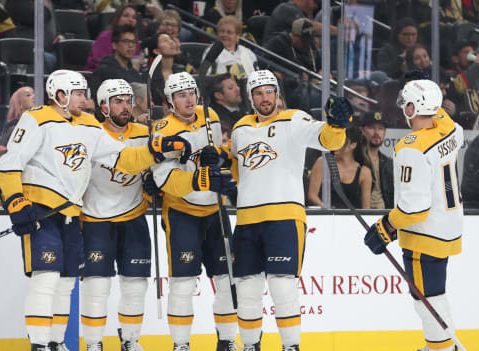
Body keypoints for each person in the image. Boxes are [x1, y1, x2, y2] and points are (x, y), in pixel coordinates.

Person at [0, 69, 191, 351]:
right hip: (42, 208)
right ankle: (39, 344)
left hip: (72, 212)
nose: (84, 100)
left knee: (66, 281)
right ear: (60, 96)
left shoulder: (88, 124)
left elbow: (121, 157)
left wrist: (158, 149)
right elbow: (9, 164)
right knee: (46, 277)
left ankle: (57, 342)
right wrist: (16, 200)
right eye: (78, 94)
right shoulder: (36, 118)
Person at [229, 70, 350, 351]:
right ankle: (249, 346)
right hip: (247, 220)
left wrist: (337, 125)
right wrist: (219, 163)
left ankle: (291, 347)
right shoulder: (239, 129)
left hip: (284, 218)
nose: (265, 98)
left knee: (283, 287)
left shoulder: (294, 120)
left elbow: (327, 140)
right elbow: (236, 170)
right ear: (251, 98)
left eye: (270, 91)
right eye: (259, 93)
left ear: (278, 94)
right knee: (247, 289)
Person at [363, 79, 464, 351]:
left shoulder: (411, 147)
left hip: (424, 233)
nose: (403, 109)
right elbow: (440, 114)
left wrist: (385, 228)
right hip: (448, 226)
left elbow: (414, 208)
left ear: (411, 107)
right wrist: (429, 93)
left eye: (406, 104)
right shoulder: (451, 129)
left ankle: (441, 348)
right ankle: (442, 347)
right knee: (435, 292)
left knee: (426, 298)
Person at [149, 72, 237, 351]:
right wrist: (199, 178)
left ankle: (226, 341)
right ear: (170, 101)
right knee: (183, 282)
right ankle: (181, 345)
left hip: (216, 211)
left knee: (226, 280)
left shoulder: (209, 115)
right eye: (181, 95)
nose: (188, 99)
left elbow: (221, 154)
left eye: (191, 93)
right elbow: (164, 179)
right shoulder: (162, 129)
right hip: (181, 212)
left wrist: (219, 156)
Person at [80, 79, 155, 351]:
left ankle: (130, 340)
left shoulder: (145, 133)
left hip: (133, 218)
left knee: (135, 284)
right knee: (96, 286)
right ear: (103, 106)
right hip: (94, 221)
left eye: (128, 100)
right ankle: (94, 343)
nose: (125, 106)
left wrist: (153, 183)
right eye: (117, 101)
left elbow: (156, 168)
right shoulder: (91, 134)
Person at [307, 126, 371, 209]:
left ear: (353, 145)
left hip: (352, 219)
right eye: (336, 140)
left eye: (341, 141)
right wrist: (330, 211)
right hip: (326, 217)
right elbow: (312, 195)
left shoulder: (364, 172)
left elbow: (366, 208)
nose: (336, 145)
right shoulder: (323, 162)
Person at [89, 25, 144, 99]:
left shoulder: (135, 74)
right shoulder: (103, 71)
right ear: (114, 45)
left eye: (133, 42)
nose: (131, 45)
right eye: (126, 41)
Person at [202, 15, 258, 80]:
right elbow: (206, 78)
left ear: (238, 35)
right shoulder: (211, 51)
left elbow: (255, 78)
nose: (225, 35)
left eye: (229, 32)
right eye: (222, 31)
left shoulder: (248, 53)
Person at [85, 5, 139, 71]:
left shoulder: (135, 39)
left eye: (134, 17)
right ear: (117, 18)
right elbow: (101, 65)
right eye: (126, 16)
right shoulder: (105, 36)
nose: (131, 20)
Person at [360, 111, 394, 209]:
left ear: (385, 132)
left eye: (380, 128)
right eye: (371, 128)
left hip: (384, 215)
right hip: (359, 214)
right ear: (362, 130)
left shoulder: (389, 163)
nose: (376, 132)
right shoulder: (355, 159)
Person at [447, 40, 479, 116]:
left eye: (472, 52)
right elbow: (459, 86)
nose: (470, 55)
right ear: (455, 59)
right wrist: (477, 64)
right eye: (466, 52)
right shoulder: (449, 76)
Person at [144, 32, 184, 106]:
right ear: (157, 51)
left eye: (171, 40)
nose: (171, 42)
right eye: (165, 40)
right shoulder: (149, 76)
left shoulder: (181, 71)